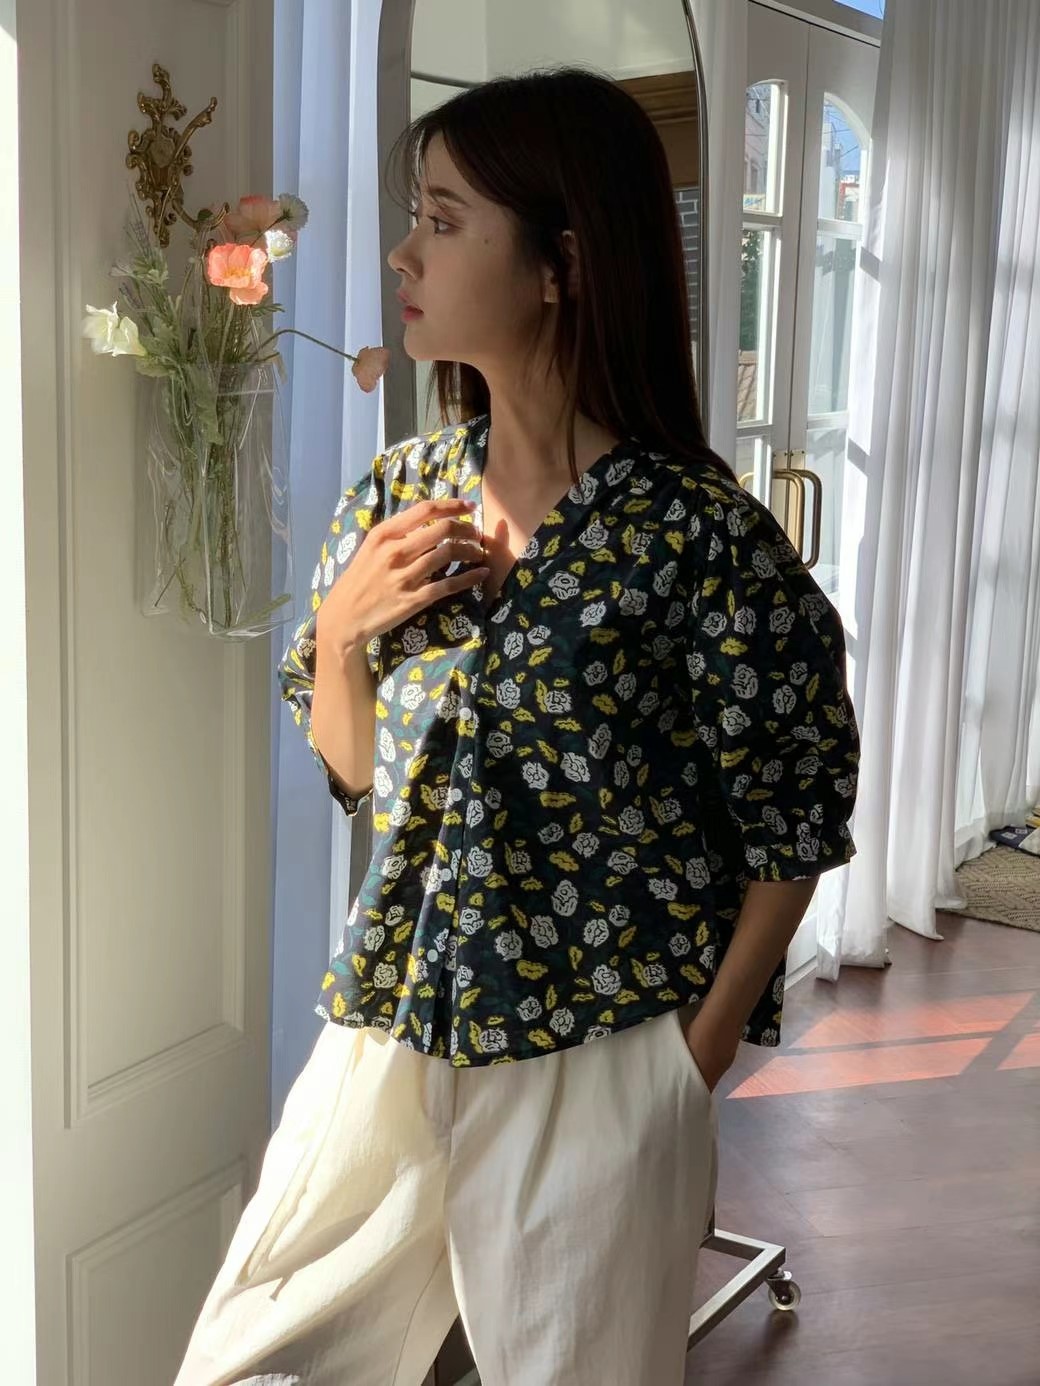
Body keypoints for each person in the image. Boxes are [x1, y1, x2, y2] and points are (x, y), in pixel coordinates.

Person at [174, 65, 860, 1386]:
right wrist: (343, 634)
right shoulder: (399, 497)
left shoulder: (697, 537)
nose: (402, 253)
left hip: (600, 1058)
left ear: (562, 264)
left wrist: (692, 1057)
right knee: (255, 1357)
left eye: (442, 219)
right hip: (393, 1027)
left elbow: (798, 818)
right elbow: (359, 775)